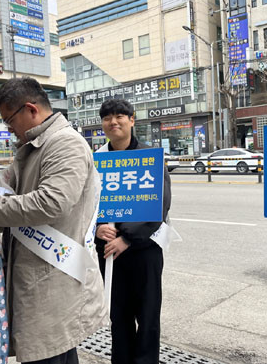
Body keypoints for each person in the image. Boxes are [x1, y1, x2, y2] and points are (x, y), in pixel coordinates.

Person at [0, 77, 107, 364]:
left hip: (52, 276)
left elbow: (51, 203)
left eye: (9, 120)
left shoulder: (64, 143)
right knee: (55, 351)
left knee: (48, 351)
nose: (9, 128)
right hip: (39, 273)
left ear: (31, 109)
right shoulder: (35, 145)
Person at [95, 99, 171, 364]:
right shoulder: (96, 160)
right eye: (107, 117)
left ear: (131, 120)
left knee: (148, 317)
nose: (113, 122)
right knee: (118, 317)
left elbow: (160, 205)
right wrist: (96, 227)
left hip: (144, 250)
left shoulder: (150, 158)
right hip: (109, 252)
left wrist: (127, 238)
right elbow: (84, 202)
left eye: (119, 116)